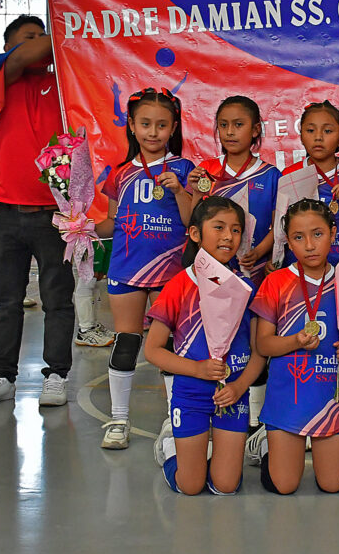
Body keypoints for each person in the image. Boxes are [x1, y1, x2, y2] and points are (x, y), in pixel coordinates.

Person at [0, 17, 76, 408]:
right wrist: (67, 19)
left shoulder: (64, 84)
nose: (39, 42)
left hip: (54, 213)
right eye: (28, 37)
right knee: (7, 299)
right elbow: (25, 56)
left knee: (57, 300)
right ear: (8, 46)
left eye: (42, 34)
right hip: (7, 211)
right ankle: (2, 375)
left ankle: (57, 374)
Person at [245, 199, 339, 495]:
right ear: (288, 241)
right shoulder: (276, 282)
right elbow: (262, 344)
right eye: (298, 238)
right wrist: (294, 341)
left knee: (332, 484)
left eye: (318, 234)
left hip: (330, 398)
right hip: (287, 397)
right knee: (284, 486)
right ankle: (265, 447)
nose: (309, 245)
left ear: (334, 233)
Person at [146, 196, 266, 495]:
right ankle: (171, 449)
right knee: (191, 485)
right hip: (191, 394)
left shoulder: (246, 288)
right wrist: (197, 369)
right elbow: (153, 350)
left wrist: (239, 389)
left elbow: (259, 352)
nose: (228, 236)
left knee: (226, 486)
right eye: (219, 227)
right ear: (196, 233)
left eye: (236, 230)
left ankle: (211, 457)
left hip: (231, 395)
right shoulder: (179, 285)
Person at [96, 87, 194, 449]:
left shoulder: (185, 169)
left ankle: (175, 419)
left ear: (174, 128)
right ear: (132, 127)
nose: (153, 132)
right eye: (146, 124)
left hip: (170, 272)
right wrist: (80, 227)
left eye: (161, 125)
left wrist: (181, 192)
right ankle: (118, 419)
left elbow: (191, 221)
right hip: (126, 267)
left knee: (167, 344)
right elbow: (110, 222)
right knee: (126, 342)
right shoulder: (120, 173)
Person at [188, 95, 280, 286]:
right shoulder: (206, 169)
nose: (229, 132)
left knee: (252, 315)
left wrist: (259, 252)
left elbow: (279, 225)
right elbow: (193, 223)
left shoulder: (271, 175)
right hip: (212, 269)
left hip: (255, 266)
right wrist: (196, 193)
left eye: (238, 125)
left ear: (255, 130)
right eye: (223, 125)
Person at [281, 100, 339, 265]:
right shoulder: (290, 174)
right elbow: (280, 227)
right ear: (301, 135)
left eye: (328, 131)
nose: (318, 137)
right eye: (310, 130)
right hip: (298, 265)